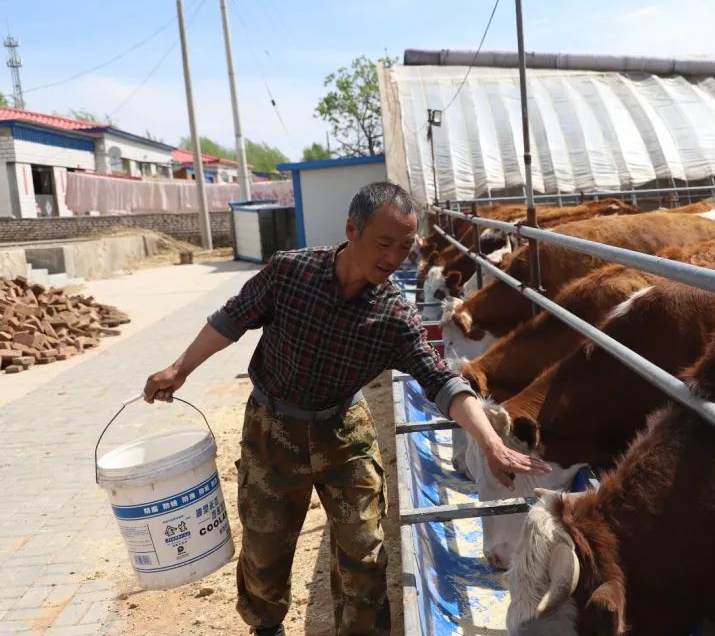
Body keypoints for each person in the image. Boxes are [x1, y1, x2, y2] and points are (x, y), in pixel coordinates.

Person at [142, 182, 550, 636]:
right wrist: (179, 368)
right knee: (265, 544)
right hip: (272, 425)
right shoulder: (290, 273)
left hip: (343, 430)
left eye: (404, 247)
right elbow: (231, 319)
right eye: (384, 243)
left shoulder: (395, 316)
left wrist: (490, 441)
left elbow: (443, 381)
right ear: (352, 230)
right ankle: (267, 627)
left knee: (365, 547)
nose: (394, 258)